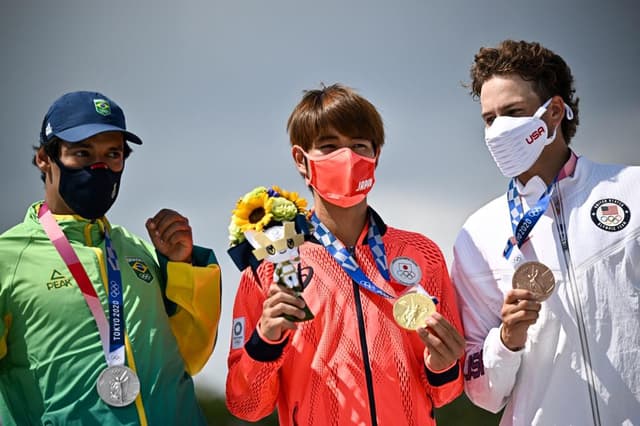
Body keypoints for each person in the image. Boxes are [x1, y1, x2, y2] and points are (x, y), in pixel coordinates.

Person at [225, 84, 465, 425]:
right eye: (329, 147)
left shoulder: (421, 254)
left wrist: (443, 367)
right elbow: (246, 405)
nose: (347, 158)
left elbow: (447, 391)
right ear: (301, 160)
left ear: (375, 156)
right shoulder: (269, 263)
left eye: (358, 146)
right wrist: (265, 342)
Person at [0, 91, 222, 425]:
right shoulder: (8, 259)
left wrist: (182, 267)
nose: (99, 167)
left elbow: (191, 355)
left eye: (113, 154)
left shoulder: (139, 253)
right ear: (45, 159)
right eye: (82, 153)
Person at [451, 40, 640, 425]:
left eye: (513, 112)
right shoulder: (476, 236)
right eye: (490, 119)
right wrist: (507, 340)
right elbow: (483, 395)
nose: (498, 130)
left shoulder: (632, 191)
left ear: (554, 112)